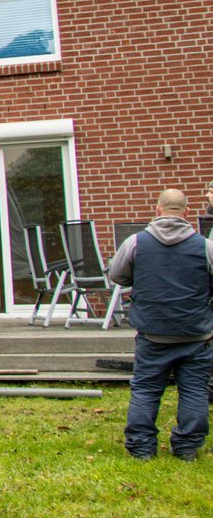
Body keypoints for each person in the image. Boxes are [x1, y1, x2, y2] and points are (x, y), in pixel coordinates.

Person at [107, 188, 213, 460]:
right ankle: (188, 448)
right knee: (194, 389)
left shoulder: (135, 243)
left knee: (145, 389)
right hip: (196, 334)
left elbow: (118, 276)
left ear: (157, 209)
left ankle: (142, 448)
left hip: (152, 332)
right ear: (187, 212)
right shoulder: (205, 246)